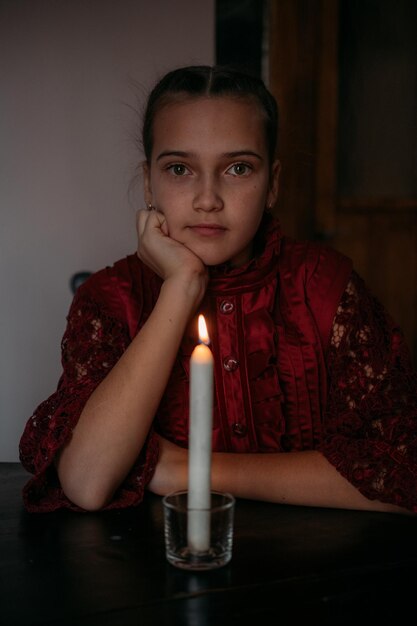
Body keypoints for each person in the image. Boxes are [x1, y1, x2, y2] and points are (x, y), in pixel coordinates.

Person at [20, 65, 417, 514]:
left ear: (273, 185)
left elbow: (403, 475)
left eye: (238, 167)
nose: (208, 198)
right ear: (149, 182)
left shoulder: (325, 286)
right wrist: (182, 285)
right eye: (179, 169)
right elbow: (87, 481)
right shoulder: (109, 299)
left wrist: (186, 471)